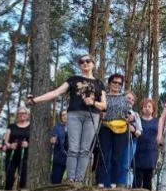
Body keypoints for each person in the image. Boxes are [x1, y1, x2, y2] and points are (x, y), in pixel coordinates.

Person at [27, 54, 107, 183]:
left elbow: (104, 105)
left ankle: (79, 180)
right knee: (73, 148)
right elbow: (55, 92)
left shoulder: (99, 83)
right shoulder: (73, 79)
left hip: (92, 115)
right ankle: (71, 179)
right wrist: (35, 100)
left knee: (85, 149)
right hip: (74, 115)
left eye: (87, 61)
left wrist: (93, 103)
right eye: (81, 62)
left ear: (93, 63)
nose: (85, 63)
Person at [134, 98, 159, 190]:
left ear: (153, 109)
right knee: (137, 178)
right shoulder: (138, 120)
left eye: (149, 106)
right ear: (141, 109)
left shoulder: (157, 121)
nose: (147, 108)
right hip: (139, 152)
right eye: (145, 106)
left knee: (148, 178)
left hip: (152, 153)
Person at [3, 107, 31, 190]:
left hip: (25, 155)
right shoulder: (11, 126)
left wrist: (28, 144)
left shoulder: (31, 126)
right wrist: (10, 145)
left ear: (27, 115)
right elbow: (5, 141)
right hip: (12, 154)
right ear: (17, 115)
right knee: (9, 176)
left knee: (23, 177)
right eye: (20, 113)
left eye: (24, 113)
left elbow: (35, 141)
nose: (22, 115)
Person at [121, 91, 142, 187]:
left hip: (131, 140)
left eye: (132, 100)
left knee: (126, 164)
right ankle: (115, 183)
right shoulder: (118, 109)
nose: (130, 101)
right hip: (119, 138)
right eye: (128, 98)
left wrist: (136, 131)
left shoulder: (136, 114)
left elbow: (139, 128)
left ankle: (126, 184)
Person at [50, 111, 69, 184]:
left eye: (66, 114)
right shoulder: (57, 127)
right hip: (59, 158)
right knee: (55, 181)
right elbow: (54, 137)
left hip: (72, 159)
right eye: (63, 115)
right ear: (61, 117)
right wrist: (53, 140)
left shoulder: (76, 127)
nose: (65, 116)